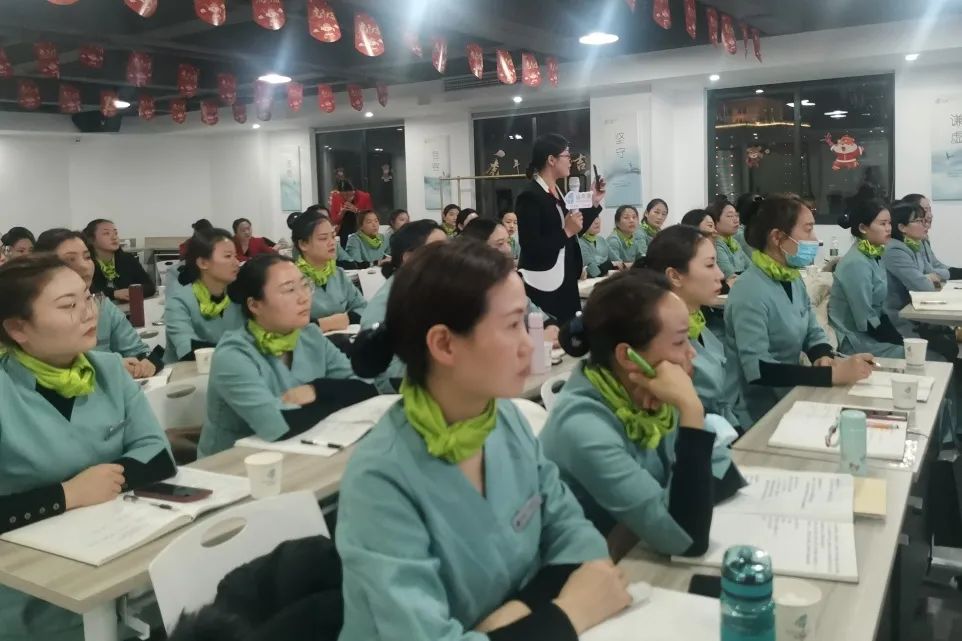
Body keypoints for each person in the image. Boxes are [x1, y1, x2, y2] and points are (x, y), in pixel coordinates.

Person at [341, 241, 630, 641]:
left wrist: (515, 614)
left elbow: (576, 539)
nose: (528, 345)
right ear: (444, 344)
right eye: (512, 326)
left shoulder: (504, 419)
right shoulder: (380, 479)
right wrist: (569, 611)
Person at [0, 254, 175, 641]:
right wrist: (68, 494)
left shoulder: (108, 369)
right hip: (35, 587)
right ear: (18, 328)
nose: (88, 313)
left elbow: (158, 457)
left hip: (120, 555)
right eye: (68, 306)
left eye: (88, 297)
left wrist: (103, 483)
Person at [541, 270, 743, 562]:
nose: (692, 354)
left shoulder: (648, 392)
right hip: (589, 574)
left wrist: (640, 524)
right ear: (627, 356)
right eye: (679, 342)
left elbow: (724, 473)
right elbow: (687, 538)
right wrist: (691, 409)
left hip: (635, 558)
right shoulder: (582, 426)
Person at [198, 255, 377, 457]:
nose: (304, 298)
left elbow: (366, 387)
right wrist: (336, 396)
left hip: (307, 449)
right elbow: (278, 425)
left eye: (304, 285)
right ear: (254, 305)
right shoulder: (233, 355)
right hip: (234, 464)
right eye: (289, 290)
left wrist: (317, 389)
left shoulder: (309, 335)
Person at [724, 196, 873, 424]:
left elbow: (812, 330)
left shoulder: (792, 278)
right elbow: (758, 370)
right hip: (755, 411)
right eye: (808, 229)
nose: (815, 240)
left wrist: (823, 356)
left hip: (791, 395)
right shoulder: (749, 290)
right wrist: (830, 375)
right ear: (777, 237)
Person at [645, 225, 741, 429]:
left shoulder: (698, 323)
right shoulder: (661, 344)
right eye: (710, 265)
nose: (720, 274)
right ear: (675, 276)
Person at [35, 228, 163, 378]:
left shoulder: (101, 303)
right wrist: (110, 366)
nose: (84, 266)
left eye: (87, 257)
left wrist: (147, 362)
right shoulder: (40, 314)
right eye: (70, 260)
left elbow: (137, 350)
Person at [515, 133, 605, 323]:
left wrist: (594, 201)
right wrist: (566, 231)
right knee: (553, 333)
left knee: (570, 331)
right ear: (551, 160)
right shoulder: (530, 196)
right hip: (543, 282)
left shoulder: (557, 191)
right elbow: (531, 246)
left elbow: (574, 231)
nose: (570, 161)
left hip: (565, 277)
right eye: (567, 155)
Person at [359, 220, 448, 387]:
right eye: (438, 249)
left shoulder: (436, 290)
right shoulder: (386, 304)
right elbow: (385, 373)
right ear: (409, 258)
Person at [459, 218, 561, 345]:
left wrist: (551, 329)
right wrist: (535, 340)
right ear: (478, 249)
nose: (508, 249)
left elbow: (540, 317)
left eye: (508, 242)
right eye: (500, 244)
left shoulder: (508, 283)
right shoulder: (465, 292)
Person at [882, 200, 958, 360]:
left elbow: (933, 272)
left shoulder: (913, 245)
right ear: (902, 227)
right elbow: (925, 286)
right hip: (899, 319)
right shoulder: (895, 250)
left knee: (949, 345)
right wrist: (927, 278)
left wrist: (927, 277)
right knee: (944, 350)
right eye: (918, 221)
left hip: (917, 312)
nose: (925, 224)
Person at [829, 200, 905, 358]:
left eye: (889, 223)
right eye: (882, 224)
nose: (889, 228)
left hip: (871, 333)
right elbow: (865, 319)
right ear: (863, 228)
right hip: (854, 341)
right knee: (914, 355)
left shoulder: (874, 254)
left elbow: (878, 311)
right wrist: (899, 342)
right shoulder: (856, 263)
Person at [165, 228, 244, 363]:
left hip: (234, 367)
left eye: (235, 256)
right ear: (203, 263)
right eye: (228, 256)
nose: (236, 262)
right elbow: (188, 350)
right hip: (187, 372)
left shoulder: (238, 295)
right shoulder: (179, 301)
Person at [289, 211, 367, 331]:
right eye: (323, 238)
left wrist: (347, 319)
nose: (332, 243)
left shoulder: (338, 274)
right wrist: (326, 324)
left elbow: (363, 307)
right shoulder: (291, 280)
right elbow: (286, 325)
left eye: (333, 236)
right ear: (303, 244)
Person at [84, 218, 156, 301]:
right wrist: (113, 294)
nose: (114, 237)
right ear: (91, 239)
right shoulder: (86, 263)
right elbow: (85, 291)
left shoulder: (127, 259)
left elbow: (150, 287)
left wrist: (131, 292)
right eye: (106, 233)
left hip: (126, 307)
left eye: (115, 233)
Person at [904, 193, 962, 280]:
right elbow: (926, 272)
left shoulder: (923, 240)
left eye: (930, 210)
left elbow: (936, 265)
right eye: (925, 210)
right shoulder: (903, 245)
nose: (930, 215)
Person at [708, 199, 749, 286]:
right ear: (715, 221)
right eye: (730, 216)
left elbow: (751, 267)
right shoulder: (716, 244)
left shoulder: (734, 242)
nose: (736, 220)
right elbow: (730, 275)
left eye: (736, 215)